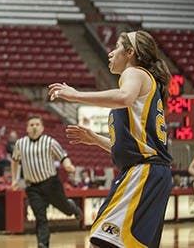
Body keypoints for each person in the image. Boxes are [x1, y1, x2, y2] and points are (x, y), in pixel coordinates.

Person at [49, 30, 173, 248]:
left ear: (130, 52)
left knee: (103, 239)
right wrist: (95, 139)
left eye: (116, 47)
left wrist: (76, 95)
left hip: (143, 172)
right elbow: (134, 146)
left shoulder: (134, 72)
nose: (110, 54)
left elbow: (124, 97)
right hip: (152, 172)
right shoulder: (144, 83)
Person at [11, 115, 82, 248]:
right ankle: (42, 244)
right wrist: (14, 179)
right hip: (33, 187)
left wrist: (68, 165)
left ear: (42, 128)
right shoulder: (20, 144)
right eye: (31, 125)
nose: (34, 127)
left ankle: (72, 208)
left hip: (51, 184)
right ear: (27, 128)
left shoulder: (50, 142)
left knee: (65, 209)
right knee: (40, 217)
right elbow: (14, 161)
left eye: (37, 124)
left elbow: (63, 156)